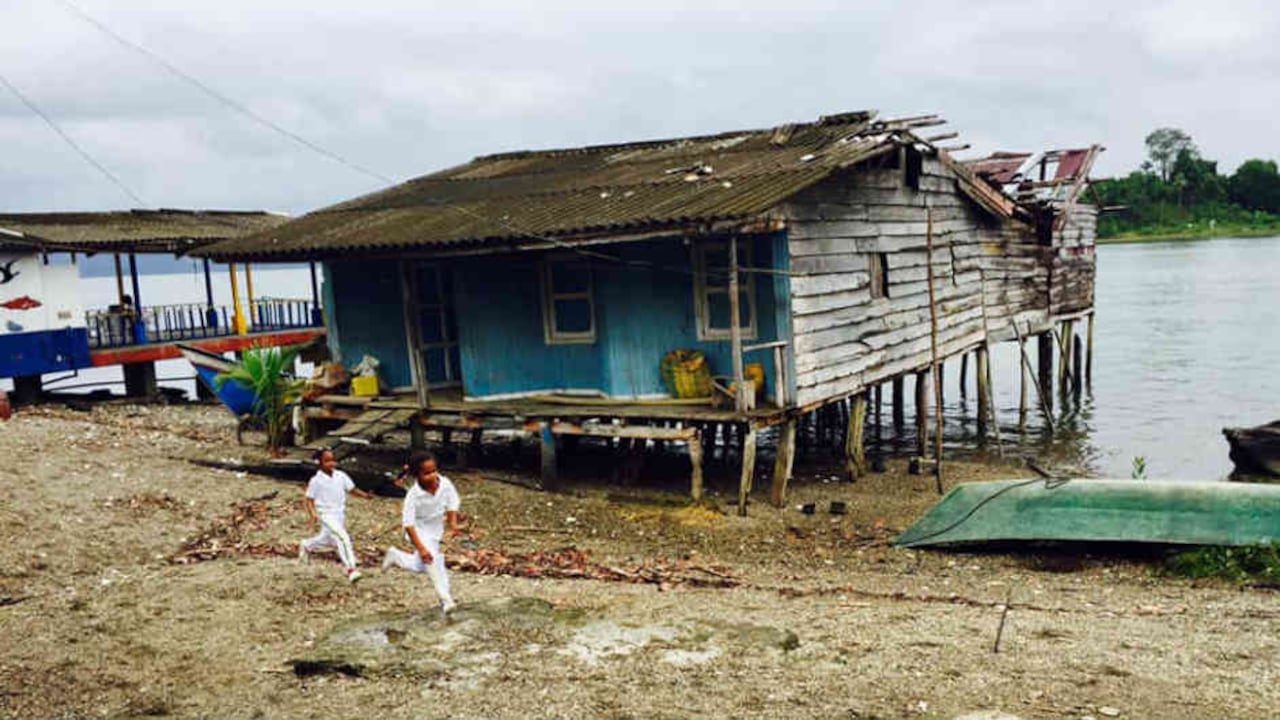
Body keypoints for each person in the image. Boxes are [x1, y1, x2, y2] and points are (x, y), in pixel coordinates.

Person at [381, 451, 461, 615]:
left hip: (436, 528)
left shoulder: (445, 484)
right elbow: (408, 524)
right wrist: (421, 547)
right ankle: (445, 600)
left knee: (422, 565)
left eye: (434, 471)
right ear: (416, 475)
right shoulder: (413, 495)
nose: (432, 476)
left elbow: (453, 502)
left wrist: (453, 524)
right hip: (418, 530)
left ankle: (396, 556)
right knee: (432, 559)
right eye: (427, 473)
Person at [299, 448, 374, 583]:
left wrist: (365, 496)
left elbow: (352, 489)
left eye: (333, 460)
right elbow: (308, 499)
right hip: (326, 514)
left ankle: (306, 544)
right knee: (342, 537)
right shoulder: (316, 480)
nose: (331, 463)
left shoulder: (341, 475)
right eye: (327, 461)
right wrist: (313, 515)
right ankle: (350, 568)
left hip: (339, 513)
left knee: (328, 539)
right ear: (320, 463)